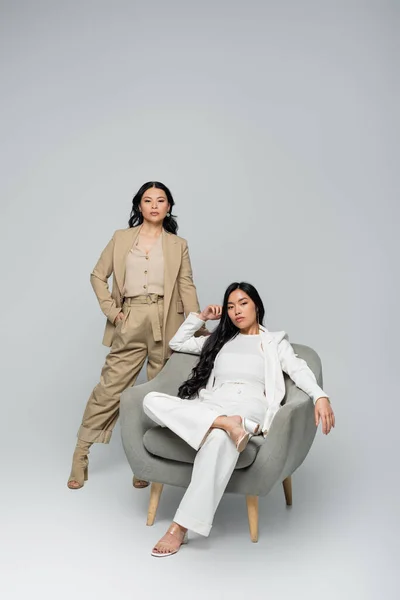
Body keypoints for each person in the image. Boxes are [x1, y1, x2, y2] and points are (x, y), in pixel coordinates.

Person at [143, 281, 335, 557]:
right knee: (151, 401)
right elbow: (178, 343)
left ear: (257, 305)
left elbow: (298, 369)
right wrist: (202, 317)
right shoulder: (219, 339)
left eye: (243, 303)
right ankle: (225, 423)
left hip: (249, 405)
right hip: (213, 404)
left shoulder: (273, 341)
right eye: (231, 306)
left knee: (220, 441)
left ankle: (179, 528)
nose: (236, 311)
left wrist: (320, 396)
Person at [67, 181, 204, 490]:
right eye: (148, 200)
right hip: (129, 317)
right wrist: (112, 312)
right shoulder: (121, 238)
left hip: (166, 321)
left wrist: (196, 325)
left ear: (169, 207)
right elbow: (97, 275)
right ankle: (81, 453)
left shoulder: (177, 245)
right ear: (138, 206)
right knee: (110, 388)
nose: (154, 205)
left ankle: (145, 462)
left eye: (161, 200)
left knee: (160, 394)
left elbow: (186, 286)